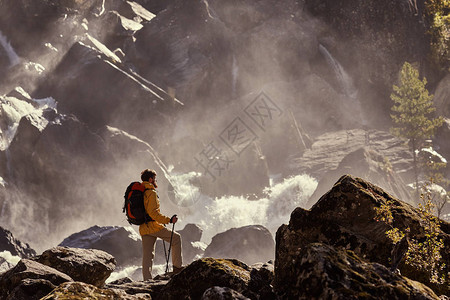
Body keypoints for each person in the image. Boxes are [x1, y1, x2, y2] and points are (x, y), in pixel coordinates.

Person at [139, 169, 183, 280]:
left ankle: (147, 280)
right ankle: (177, 269)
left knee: (147, 256)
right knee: (176, 239)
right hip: (153, 227)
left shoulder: (141, 191)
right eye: (155, 178)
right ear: (150, 179)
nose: (155, 181)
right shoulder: (151, 192)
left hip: (144, 227)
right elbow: (153, 213)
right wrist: (169, 220)